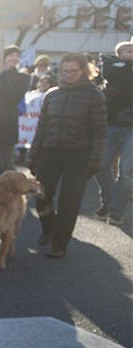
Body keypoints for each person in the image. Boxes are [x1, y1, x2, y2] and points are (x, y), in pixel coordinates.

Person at [30, 52, 107, 258]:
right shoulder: (52, 95)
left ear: (84, 71)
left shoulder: (94, 95)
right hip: (50, 151)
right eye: (65, 71)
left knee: (69, 202)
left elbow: (100, 131)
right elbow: (41, 128)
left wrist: (95, 159)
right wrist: (33, 154)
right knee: (40, 196)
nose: (68, 75)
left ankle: (59, 245)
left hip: (78, 155)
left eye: (73, 71)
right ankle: (48, 228)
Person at [95, 40, 133, 225]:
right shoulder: (110, 70)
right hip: (110, 125)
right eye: (129, 50)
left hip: (131, 129)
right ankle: (108, 202)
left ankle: (117, 210)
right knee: (100, 165)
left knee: (126, 172)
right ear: (119, 54)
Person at [0, 44, 31, 172]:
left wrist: (5, 76)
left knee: (6, 162)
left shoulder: (23, 78)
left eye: (17, 56)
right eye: (11, 55)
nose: (14, 58)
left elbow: (13, 97)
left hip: (8, 124)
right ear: (4, 58)